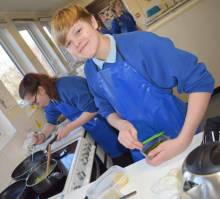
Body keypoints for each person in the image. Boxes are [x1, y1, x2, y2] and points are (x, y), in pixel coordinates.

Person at [51, 5, 214, 165]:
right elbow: (105, 108)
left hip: (183, 135)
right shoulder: (90, 70)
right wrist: (119, 124)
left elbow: (199, 81)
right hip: (144, 152)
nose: (77, 43)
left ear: (93, 22)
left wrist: (183, 140)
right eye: (69, 44)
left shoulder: (141, 44)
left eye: (78, 31)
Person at [19, 73, 132, 166]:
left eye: (35, 102)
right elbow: (50, 122)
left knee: (129, 157)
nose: (37, 106)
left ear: (40, 90)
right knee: (120, 160)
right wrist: (42, 135)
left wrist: (68, 127)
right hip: (98, 131)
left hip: (110, 123)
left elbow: (93, 109)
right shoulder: (50, 99)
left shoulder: (67, 87)